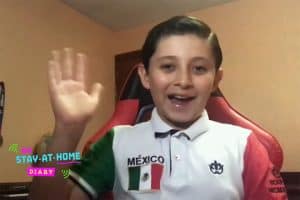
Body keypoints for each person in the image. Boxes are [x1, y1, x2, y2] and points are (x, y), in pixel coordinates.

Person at [30, 16, 287, 200]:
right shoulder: (116, 142)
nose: (183, 81)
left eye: (199, 68)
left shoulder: (244, 144)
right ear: (145, 76)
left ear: (215, 80)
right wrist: (66, 132)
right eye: (167, 66)